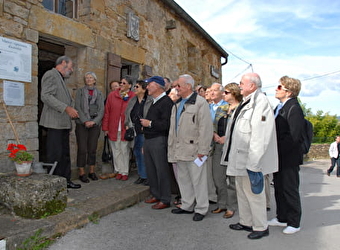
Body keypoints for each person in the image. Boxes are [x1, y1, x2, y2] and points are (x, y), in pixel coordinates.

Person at [221, 73, 278, 240]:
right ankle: (246, 221)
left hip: (250, 159)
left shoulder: (261, 103)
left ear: (252, 86)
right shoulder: (247, 102)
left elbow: (260, 136)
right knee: (242, 192)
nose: (239, 86)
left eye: (241, 83)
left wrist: (254, 163)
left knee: (254, 194)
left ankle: (261, 226)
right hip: (239, 157)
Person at [169, 74, 213, 221]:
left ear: (188, 86)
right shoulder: (177, 104)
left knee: (198, 180)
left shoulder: (200, 103)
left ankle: (201, 208)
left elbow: (206, 128)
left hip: (195, 150)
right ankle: (187, 205)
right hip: (180, 149)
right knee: (183, 179)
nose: (176, 88)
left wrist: (203, 150)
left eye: (179, 86)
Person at [268, 76, 306, 234]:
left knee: (290, 189)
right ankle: (282, 217)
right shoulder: (281, 106)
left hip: (288, 158)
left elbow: (293, 136)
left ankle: (294, 222)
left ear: (289, 92)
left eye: (279, 87)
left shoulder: (294, 108)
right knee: (279, 188)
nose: (276, 90)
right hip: (279, 157)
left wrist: (278, 150)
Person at [40, 55, 81, 189]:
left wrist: (73, 108)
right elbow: (45, 96)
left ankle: (65, 181)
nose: (72, 70)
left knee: (64, 155)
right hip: (54, 123)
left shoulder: (60, 78)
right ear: (63, 62)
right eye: (71, 66)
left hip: (63, 124)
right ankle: (55, 186)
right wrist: (66, 108)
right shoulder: (51, 74)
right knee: (55, 155)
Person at [141, 76, 173, 210]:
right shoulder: (154, 102)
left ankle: (165, 199)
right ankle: (156, 194)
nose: (147, 87)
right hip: (149, 140)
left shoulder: (166, 102)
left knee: (161, 170)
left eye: (150, 84)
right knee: (151, 169)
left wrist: (150, 124)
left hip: (159, 140)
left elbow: (166, 124)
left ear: (158, 86)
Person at [211, 83, 242, 219]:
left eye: (227, 92)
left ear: (234, 93)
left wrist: (227, 138)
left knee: (232, 180)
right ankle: (221, 204)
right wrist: (215, 135)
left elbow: (241, 130)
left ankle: (231, 207)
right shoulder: (221, 109)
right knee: (218, 178)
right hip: (218, 147)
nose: (224, 94)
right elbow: (213, 125)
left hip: (233, 148)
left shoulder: (241, 109)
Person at [102, 75, 135, 181]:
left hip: (125, 128)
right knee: (115, 150)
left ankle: (124, 171)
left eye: (124, 83)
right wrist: (105, 127)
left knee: (124, 150)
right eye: (121, 82)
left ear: (130, 85)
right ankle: (118, 170)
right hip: (113, 127)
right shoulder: (112, 95)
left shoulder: (133, 96)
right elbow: (107, 112)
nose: (121, 85)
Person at [74, 72, 104, 183]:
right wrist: (85, 121)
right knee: (82, 149)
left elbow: (101, 110)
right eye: (86, 78)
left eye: (91, 77)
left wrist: (94, 122)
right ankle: (81, 172)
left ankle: (92, 171)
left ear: (95, 80)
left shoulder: (99, 93)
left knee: (92, 148)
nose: (88, 79)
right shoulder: (80, 92)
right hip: (82, 123)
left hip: (95, 124)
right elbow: (77, 106)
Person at [125, 80, 153, 185]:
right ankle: (141, 175)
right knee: (137, 153)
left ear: (144, 89)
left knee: (144, 154)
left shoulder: (150, 101)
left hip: (144, 131)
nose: (134, 89)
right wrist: (127, 124)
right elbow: (127, 112)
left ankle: (147, 176)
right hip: (134, 130)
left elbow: (151, 115)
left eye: (137, 87)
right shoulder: (133, 100)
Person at [208, 83, 228, 204]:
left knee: (220, 175)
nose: (212, 93)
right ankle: (213, 197)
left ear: (222, 92)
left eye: (215, 90)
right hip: (208, 143)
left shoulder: (227, 107)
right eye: (211, 90)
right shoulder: (207, 107)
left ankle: (224, 201)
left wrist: (216, 135)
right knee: (210, 174)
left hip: (221, 143)